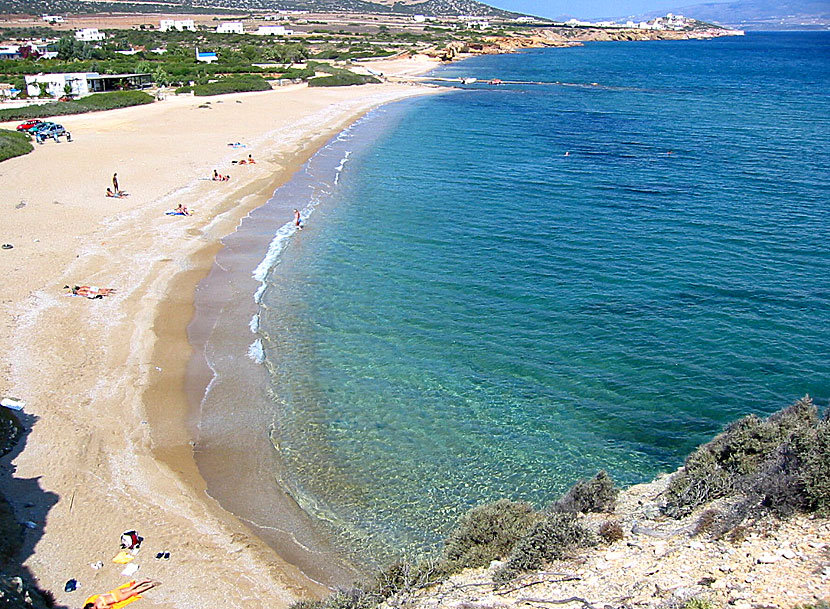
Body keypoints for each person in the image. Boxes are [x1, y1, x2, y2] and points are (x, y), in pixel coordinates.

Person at [83, 579, 160, 609]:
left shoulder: (100, 607)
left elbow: (110, 606)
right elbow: (104, 594)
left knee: (134, 592)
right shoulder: (97, 599)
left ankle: (150, 585)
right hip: (114, 593)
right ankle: (145, 580)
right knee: (131, 587)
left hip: (117, 598)